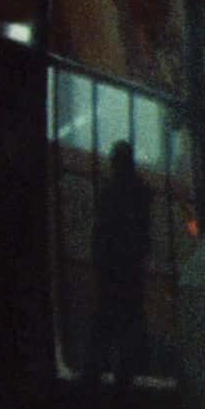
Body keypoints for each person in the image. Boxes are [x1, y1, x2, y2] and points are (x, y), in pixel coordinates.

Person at [90, 138, 153, 388]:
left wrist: (99, 259)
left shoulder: (109, 192)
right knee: (129, 321)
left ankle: (95, 369)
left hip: (111, 268)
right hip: (131, 269)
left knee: (105, 318)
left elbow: (100, 231)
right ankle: (124, 373)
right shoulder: (141, 193)